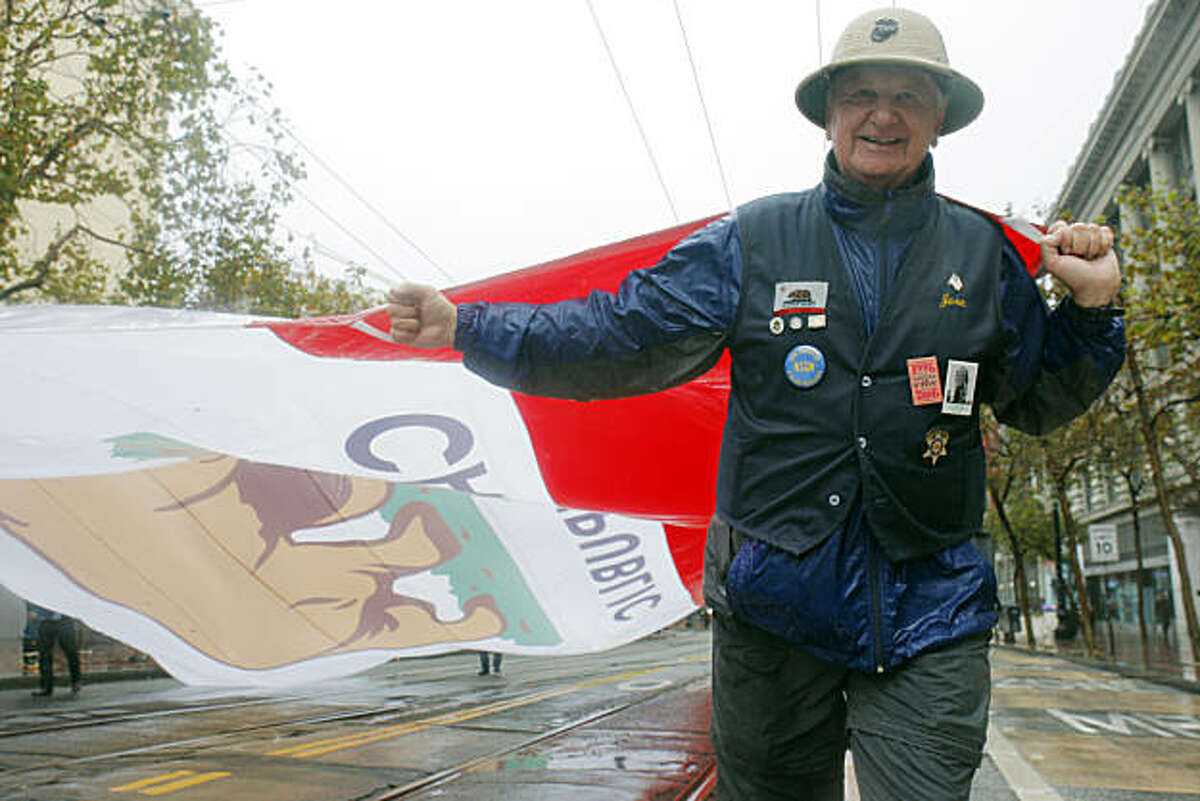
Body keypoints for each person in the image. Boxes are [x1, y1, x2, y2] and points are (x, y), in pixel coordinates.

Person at [382, 8, 1124, 799]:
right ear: (830, 113)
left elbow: (1038, 398)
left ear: (940, 119)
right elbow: (619, 330)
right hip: (774, 606)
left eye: (908, 94)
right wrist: (468, 326)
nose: (883, 113)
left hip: (931, 611)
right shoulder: (751, 242)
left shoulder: (985, 255)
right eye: (862, 93)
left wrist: (1092, 312)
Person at [29, 603, 82, 698]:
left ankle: (76, 682)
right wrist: (31, 609)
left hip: (65, 621)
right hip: (45, 621)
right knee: (44, 654)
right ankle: (46, 687)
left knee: (71, 651)